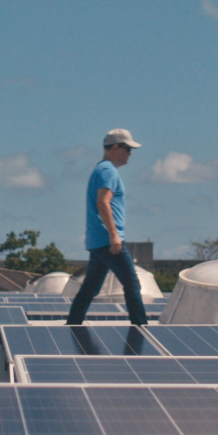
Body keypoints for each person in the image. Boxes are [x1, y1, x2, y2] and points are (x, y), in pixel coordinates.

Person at [66, 129, 148, 327]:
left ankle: (72, 325)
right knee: (132, 284)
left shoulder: (103, 169)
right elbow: (103, 202)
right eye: (128, 149)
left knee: (90, 288)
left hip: (99, 240)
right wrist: (114, 235)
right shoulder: (107, 171)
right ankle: (142, 328)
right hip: (107, 239)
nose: (130, 154)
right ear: (115, 148)